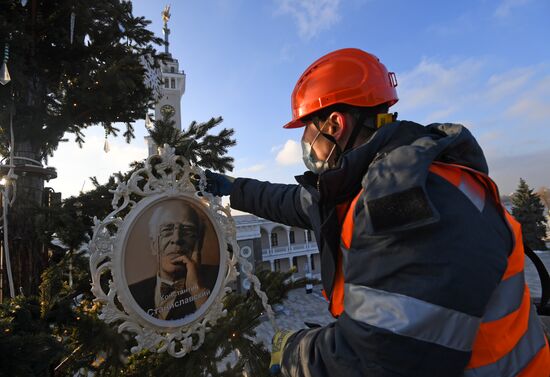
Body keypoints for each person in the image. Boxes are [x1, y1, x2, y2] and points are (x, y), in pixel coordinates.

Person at [206, 48, 550, 376]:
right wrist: (231, 188)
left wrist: (295, 349)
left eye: (307, 128)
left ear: (334, 125)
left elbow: (372, 363)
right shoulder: (368, 181)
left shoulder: (407, 201)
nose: (304, 142)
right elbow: (290, 201)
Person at [129, 200, 218, 320]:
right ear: (153, 245)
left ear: (199, 243)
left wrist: (197, 290)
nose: (176, 239)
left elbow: (218, 329)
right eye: (167, 230)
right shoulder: (133, 293)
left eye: (187, 231)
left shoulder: (217, 280)